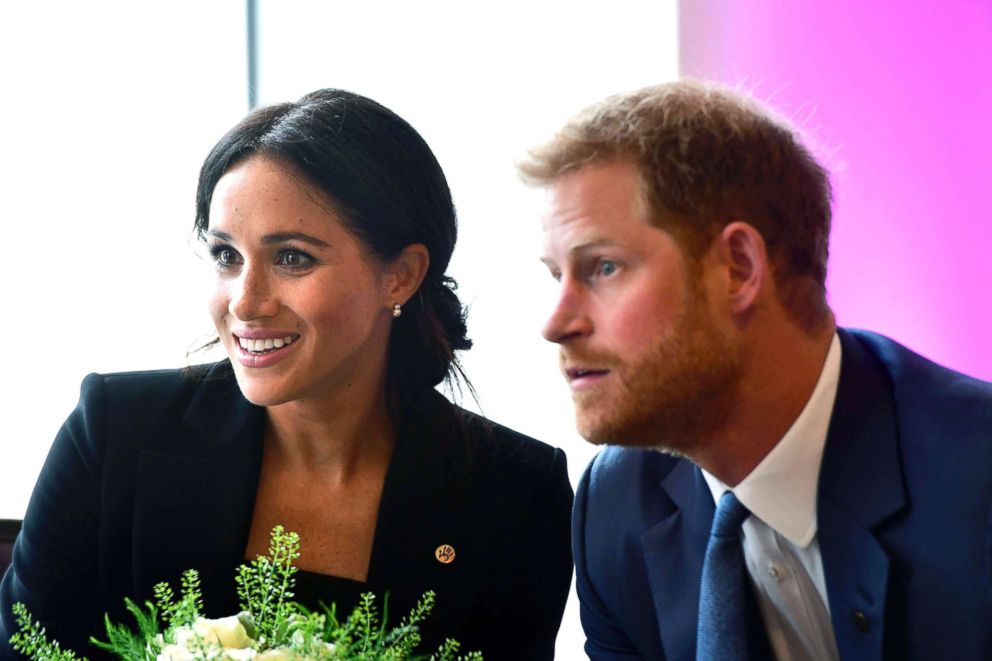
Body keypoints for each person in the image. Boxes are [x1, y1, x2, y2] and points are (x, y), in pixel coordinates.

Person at [1, 89, 573, 660]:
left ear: (400, 274)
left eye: (292, 257)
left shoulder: (517, 493)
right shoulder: (111, 433)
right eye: (226, 255)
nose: (246, 302)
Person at [520, 80, 992, 660]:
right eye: (555, 276)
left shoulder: (976, 476)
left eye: (604, 268)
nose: (556, 322)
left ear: (738, 268)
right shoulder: (615, 506)